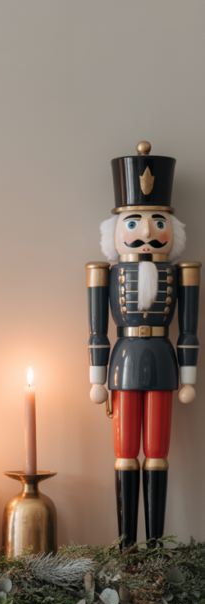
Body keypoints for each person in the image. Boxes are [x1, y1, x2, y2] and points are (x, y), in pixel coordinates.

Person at [86, 141, 199, 548]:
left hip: (164, 363)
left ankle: (154, 543)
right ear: (115, 232)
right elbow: (97, 331)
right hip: (124, 361)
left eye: (156, 222)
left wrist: (189, 376)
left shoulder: (180, 273)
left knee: (156, 451)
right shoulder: (107, 273)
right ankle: (125, 542)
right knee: (124, 451)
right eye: (133, 223)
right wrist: (97, 377)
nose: (147, 232)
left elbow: (188, 330)